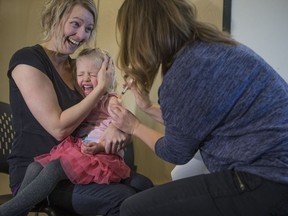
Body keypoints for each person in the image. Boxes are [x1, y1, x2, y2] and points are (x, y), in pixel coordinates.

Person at [109, 0, 288, 215]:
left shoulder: (186, 72)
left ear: (139, 36)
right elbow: (192, 124)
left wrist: (135, 126)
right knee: (181, 176)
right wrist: (147, 107)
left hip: (268, 178)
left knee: (132, 209)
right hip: (276, 166)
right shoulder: (213, 49)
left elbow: (176, 151)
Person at [4, 1, 152, 216]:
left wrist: (118, 129)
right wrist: (100, 88)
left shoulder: (79, 69)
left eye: (88, 28)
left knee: (145, 188)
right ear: (55, 17)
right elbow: (59, 128)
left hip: (83, 164)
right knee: (126, 200)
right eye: (75, 24)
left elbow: (102, 115)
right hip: (39, 175)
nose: (82, 35)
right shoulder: (28, 60)